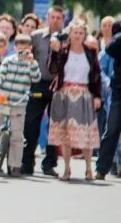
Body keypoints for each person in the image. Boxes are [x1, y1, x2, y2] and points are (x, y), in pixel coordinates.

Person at [47, 21, 102, 181]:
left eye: (80, 33)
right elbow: (53, 69)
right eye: (75, 32)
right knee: (66, 134)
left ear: (84, 35)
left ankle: (88, 168)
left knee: (86, 134)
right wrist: (55, 52)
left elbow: (96, 75)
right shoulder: (63, 51)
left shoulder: (90, 52)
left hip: (84, 95)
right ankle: (67, 169)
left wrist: (97, 96)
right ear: (69, 34)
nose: (77, 36)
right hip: (64, 94)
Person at [0, 34, 40, 175]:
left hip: (19, 103)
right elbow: (0, 75)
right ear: (15, 48)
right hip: (3, 100)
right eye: (20, 48)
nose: (23, 51)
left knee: (17, 135)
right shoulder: (8, 61)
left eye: (26, 49)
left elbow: (36, 78)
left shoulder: (32, 64)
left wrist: (32, 63)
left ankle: (15, 165)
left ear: (30, 49)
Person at [21, 6, 66, 176]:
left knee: (54, 126)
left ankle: (49, 164)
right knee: (31, 123)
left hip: (58, 85)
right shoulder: (36, 36)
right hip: (38, 83)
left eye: (58, 18)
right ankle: (27, 162)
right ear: (47, 17)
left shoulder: (67, 38)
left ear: (63, 20)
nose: (55, 20)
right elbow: (25, 57)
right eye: (52, 17)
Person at [96, 20, 121, 180]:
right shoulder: (118, 38)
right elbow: (109, 48)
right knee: (111, 130)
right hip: (119, 91)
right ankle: (101, 169)